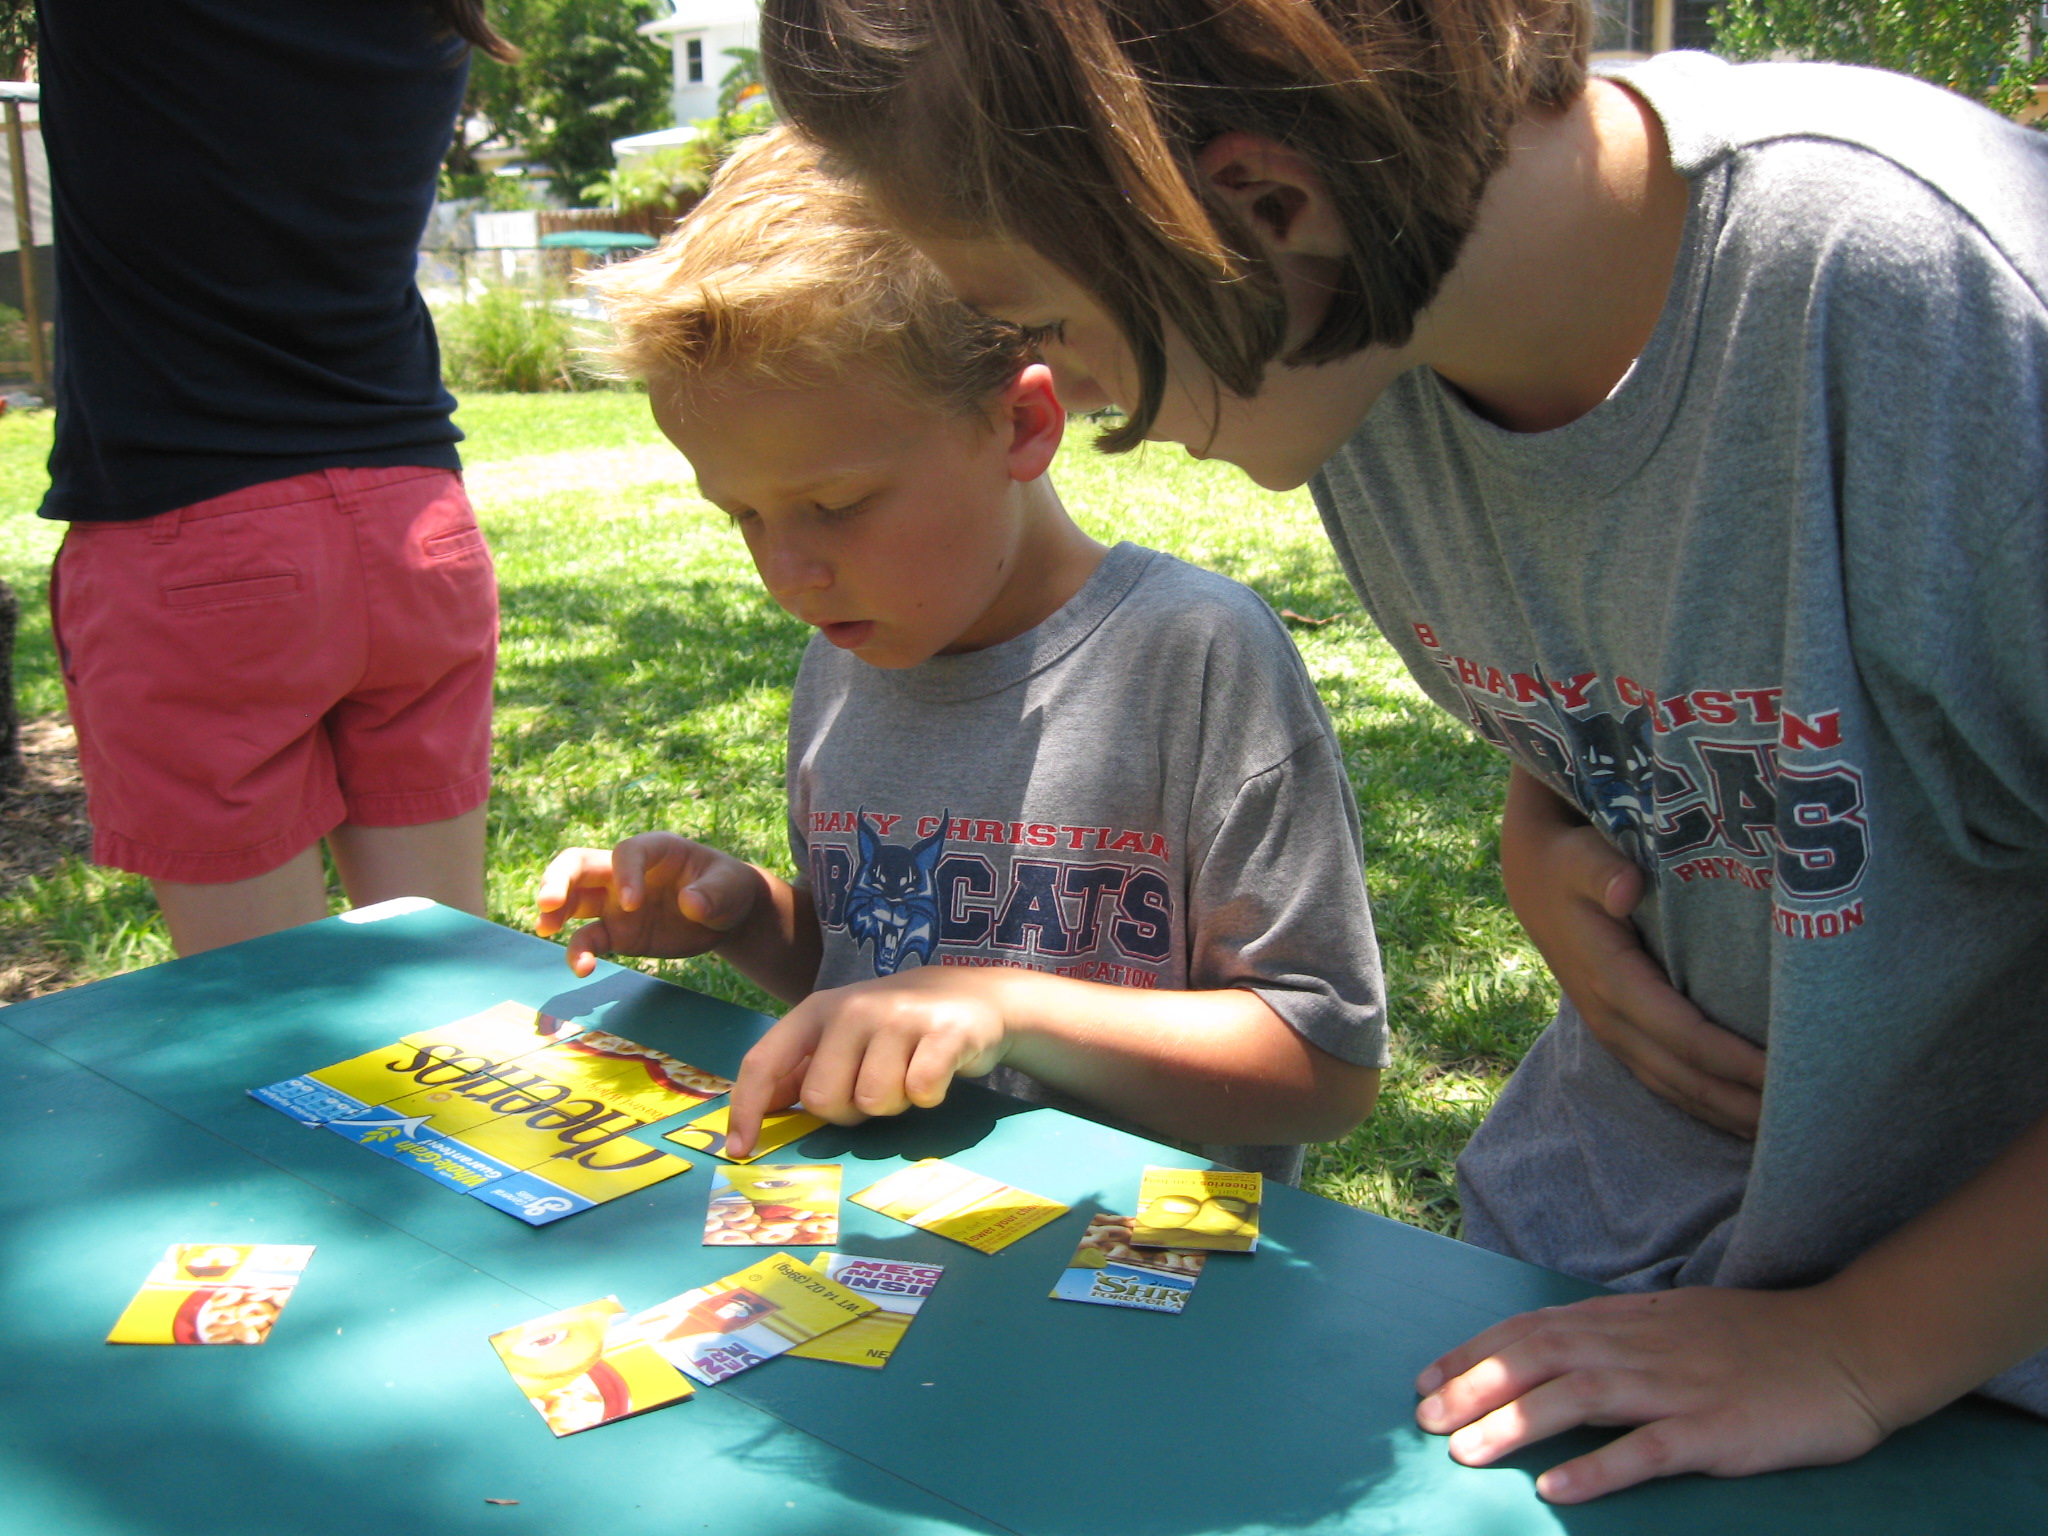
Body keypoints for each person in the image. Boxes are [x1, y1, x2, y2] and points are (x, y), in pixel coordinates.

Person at [757, 0, 2048, 1504]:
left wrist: (1856, 1347)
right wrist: (1539, 803)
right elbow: (1673, 643)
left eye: (1041, 325)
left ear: (1261, 205)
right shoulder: (1365, 351)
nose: (1071, 397)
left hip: (1949, 1366)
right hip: (1592, 1271)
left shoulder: (1946, 307)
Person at [532, 128, 1386, 1181]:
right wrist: (747, 914)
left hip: (1133, 1270)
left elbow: (1323, 1065)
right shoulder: (847, 659)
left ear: (1023, 424)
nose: (788, 572)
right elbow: (876, 976)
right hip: (899, 1250)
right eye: (741, 517)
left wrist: (1001, 1008)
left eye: (835, 505)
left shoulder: (1194, 656)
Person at [38, 0, 507, 955]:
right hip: (416, 526)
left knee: (269, 1018)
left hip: (197, 539)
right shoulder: (429, 15)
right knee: (450, 998)